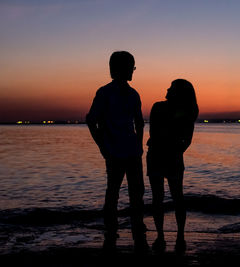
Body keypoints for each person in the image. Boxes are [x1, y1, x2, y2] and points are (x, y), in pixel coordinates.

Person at [86, 51, 147, 252]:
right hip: (114, 151)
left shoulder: (133, 94)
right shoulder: (104, 93)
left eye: (134, 67)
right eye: (132, 67)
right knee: (113, 191)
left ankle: (136, 226)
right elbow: (91, 119)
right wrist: (102, 146)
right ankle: (111, 228)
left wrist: (138, 146)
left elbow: (139, 122)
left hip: (131, 151)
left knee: (136, 191)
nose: (133, 71)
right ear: (120, 69)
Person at [146, 79, 199, 253]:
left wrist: (175, 150)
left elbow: (156, 133)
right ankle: (178, 236)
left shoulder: (159, 107)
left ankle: (163, 235)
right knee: (176, 197)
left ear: (177, 92)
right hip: (168, 156)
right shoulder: (183, 112)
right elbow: (186, 140)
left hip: (160, 155)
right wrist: (177, 150)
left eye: (171, 87)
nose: (167, 89)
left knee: (160, 198)